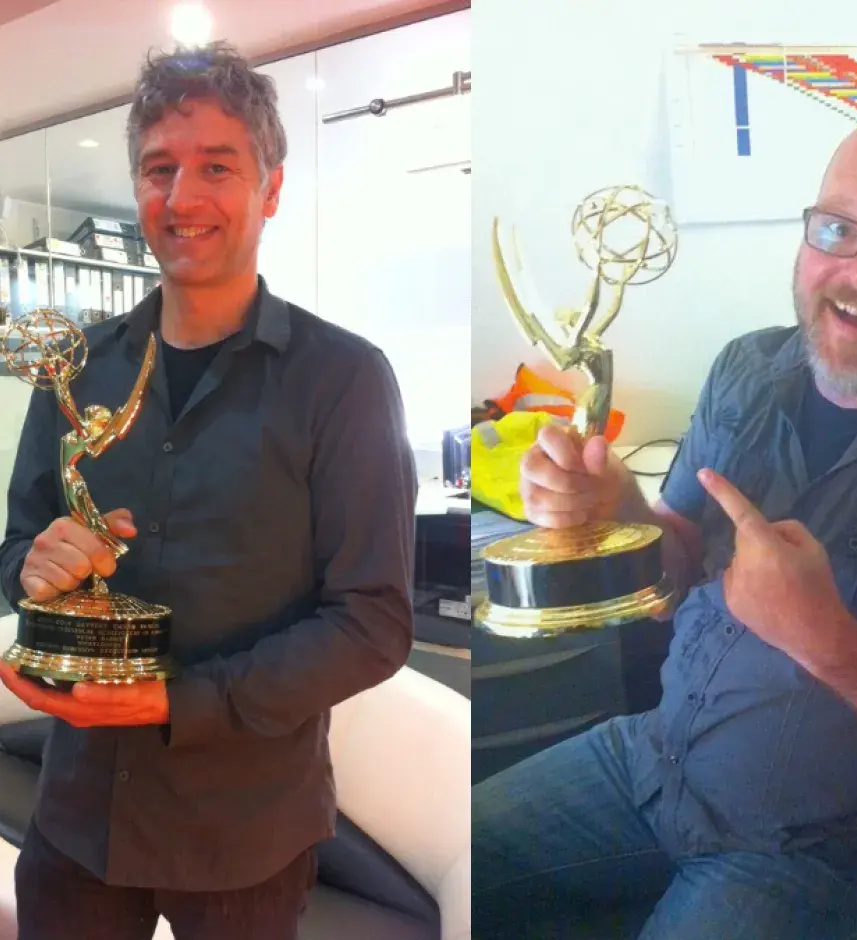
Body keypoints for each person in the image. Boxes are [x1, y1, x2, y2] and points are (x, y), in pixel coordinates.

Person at [474, 103, 857, 939]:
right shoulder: (746, 367)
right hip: (652, 760)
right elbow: (679, 556)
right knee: (444, 865)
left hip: (816, 846)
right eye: (839, 229)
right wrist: (617, 512)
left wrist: (827, 640)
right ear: (810, 234)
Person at [0, 41, 417, 939]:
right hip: (76, 822)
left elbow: (374, 622)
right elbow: (14, 550)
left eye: (216, 167)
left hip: (245, 839)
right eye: (159, 170)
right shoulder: (77, 368)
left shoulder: (341, 379)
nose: (182, 198)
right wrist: (33, 567)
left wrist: (176, 702)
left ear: (269, 190)